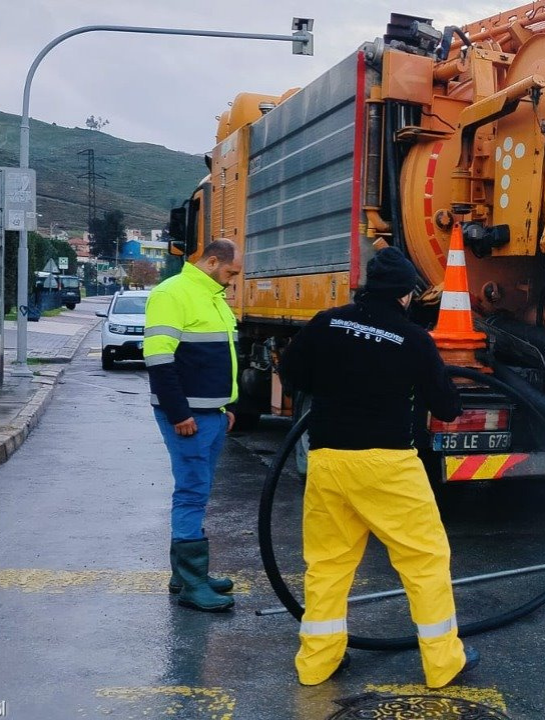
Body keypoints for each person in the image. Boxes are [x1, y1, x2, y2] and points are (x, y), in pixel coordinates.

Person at [279, 246, 478, 689]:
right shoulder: (413, 340)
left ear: (367, 286)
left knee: (327, 564)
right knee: (424, 560)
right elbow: (445, 408)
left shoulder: (327, 322)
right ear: (406, 294)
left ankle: (318, 663)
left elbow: (291, 371)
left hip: (328, 460)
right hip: (388, 465)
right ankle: (443, 663)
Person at [143, 239, 242, 612]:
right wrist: (179, 413)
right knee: (191, 492)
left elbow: (220, 356)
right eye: (231, 272)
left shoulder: (212, 295)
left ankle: (185, 575)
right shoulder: (172, 293)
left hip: (210, 413)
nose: (232, 280)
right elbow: (159, 358)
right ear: (212, 261)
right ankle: (192, 584)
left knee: (196, 490)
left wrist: (226, 406)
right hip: (189, 416)